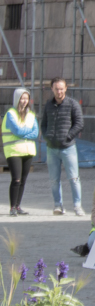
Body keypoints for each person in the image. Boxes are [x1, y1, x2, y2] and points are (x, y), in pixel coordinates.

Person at [41, 77, 84, 216]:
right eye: (56, 89)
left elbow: (79, 123)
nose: (59, 91)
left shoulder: (73, 104)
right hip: (52, 148)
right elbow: (43, 123)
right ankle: (57, 205)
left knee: (74, 178)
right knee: (54, 180)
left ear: (65, 88)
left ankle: (77, 206)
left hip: (68, 148)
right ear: (52, 89)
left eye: (61, 88)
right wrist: (47, 136)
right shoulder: (48, 104)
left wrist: (68, 136)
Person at [5, 87, 38, 216]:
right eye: (22, 98)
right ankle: (12, 207)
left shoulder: (31, 115)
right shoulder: (10, 114)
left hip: (28, 151)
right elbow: (16, 131)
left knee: (23, 180)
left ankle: (18, 206)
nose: (24, 101)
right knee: (16, 179)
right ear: (17, 99)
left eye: (26, 98)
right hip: (14, 151)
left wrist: (23, 132)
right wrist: (26, 131)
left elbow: (35, 133)